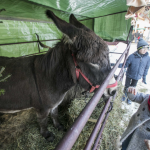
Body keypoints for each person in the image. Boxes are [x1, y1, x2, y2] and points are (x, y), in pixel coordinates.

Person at [111, 38, 150, 104]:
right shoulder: (132, 56)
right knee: (127, 86)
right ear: (138, 48)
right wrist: (115, 65)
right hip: (129, 74)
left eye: (147, 48)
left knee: (133, 87)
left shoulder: (147, 58)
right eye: (143, 48)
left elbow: (146, 68)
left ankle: (130, 97)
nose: (145, 50)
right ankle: (124, 95)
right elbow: (125, 65)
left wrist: (144, 77)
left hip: (137, 76)